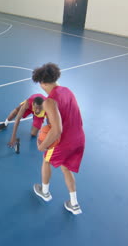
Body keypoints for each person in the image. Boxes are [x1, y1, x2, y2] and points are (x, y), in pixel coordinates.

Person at [31, 63, 85, 215]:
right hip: (79, 137)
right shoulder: (67, 91)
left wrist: (42, 146)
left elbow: (57, 130)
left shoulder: (49, 101)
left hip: (64, 141)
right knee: (65, 167)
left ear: (42, 82)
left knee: (46, 160)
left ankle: (45, 192)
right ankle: (74, 204)